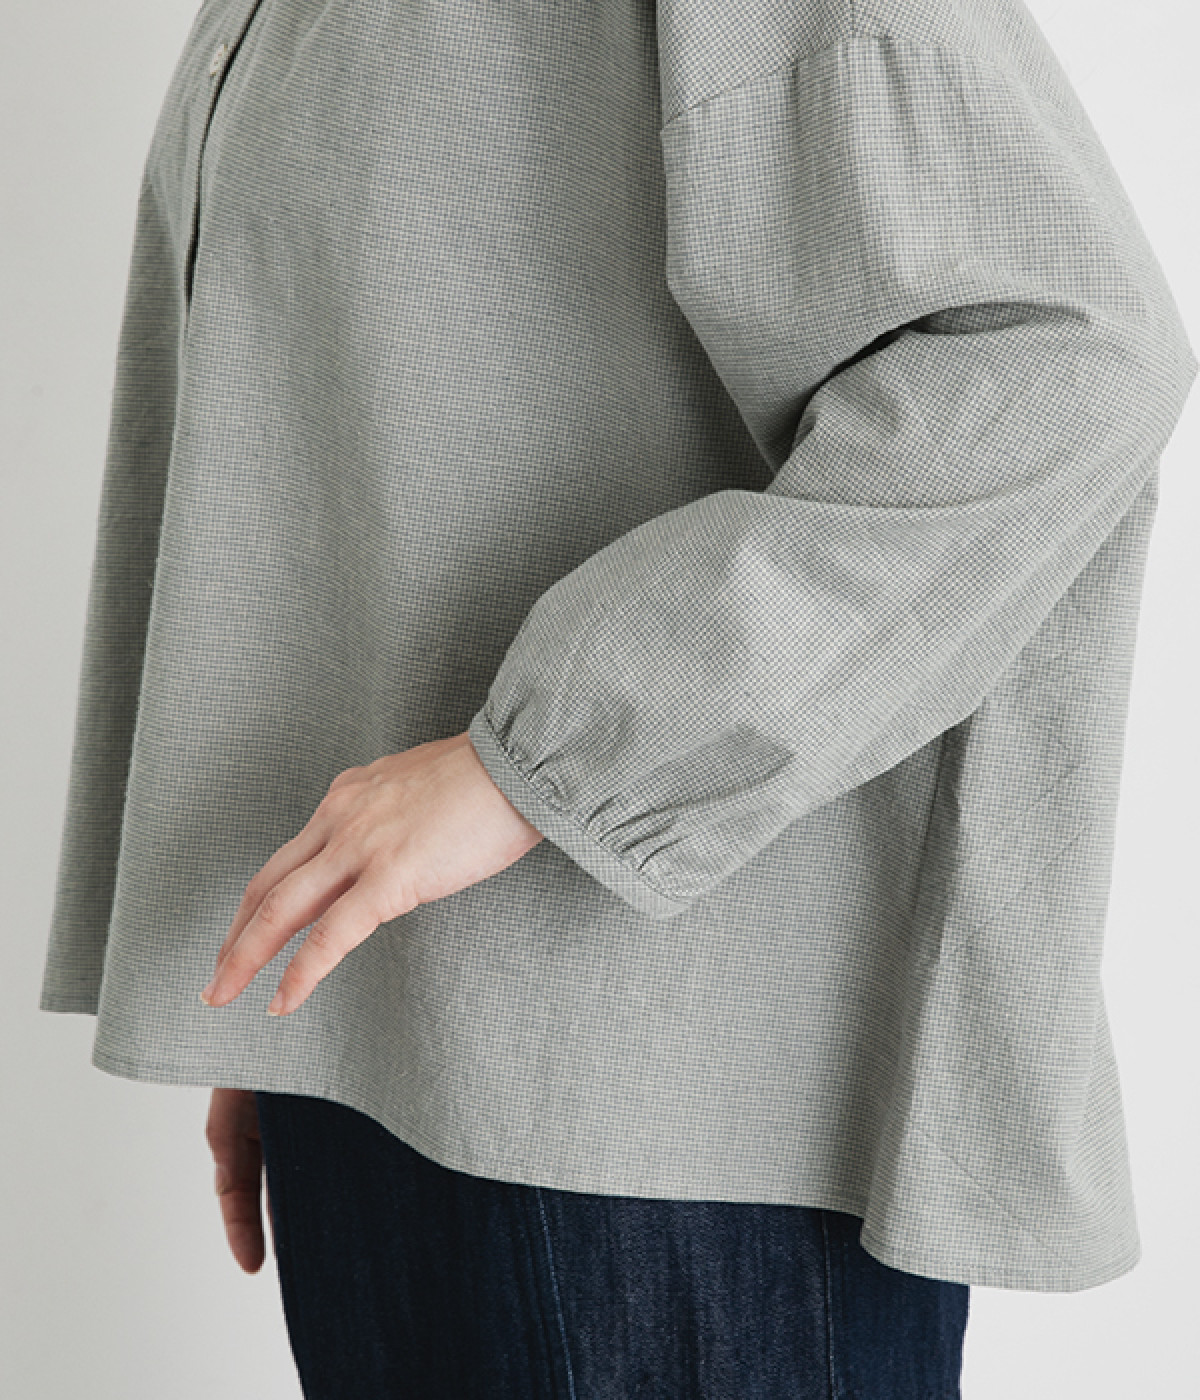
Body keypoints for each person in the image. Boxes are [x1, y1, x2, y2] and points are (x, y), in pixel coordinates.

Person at [40, 0, 1195, 1394]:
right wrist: (312, 1015)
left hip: (663, 1132)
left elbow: (1060, 361)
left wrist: (543, 760)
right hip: (378, 1061)